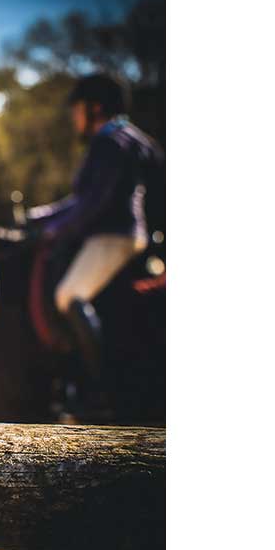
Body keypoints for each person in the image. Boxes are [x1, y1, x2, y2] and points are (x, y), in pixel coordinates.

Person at [31, 73, 164, 382]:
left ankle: (98, 386)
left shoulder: (109, 141)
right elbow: (82, 200)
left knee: (68, 294)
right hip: (124, 235)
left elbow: (93, 205)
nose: (74, 117)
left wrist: (53, 231)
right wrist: (39, 218)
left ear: (95, 108)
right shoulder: (130, 137)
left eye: (77, 108)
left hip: (114, 237)